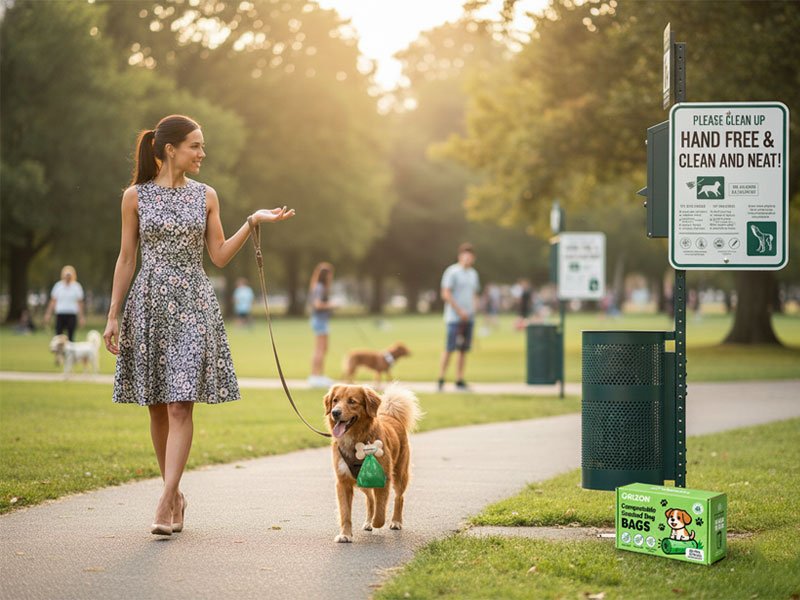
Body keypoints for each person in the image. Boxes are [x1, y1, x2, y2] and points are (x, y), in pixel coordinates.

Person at [103, 115, 295, 536]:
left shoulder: (206, 196)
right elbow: (126, 258)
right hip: (149, 304)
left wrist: (252, 222)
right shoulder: (135, 197)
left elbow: (220, 255)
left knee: (179, 404)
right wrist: (113, 314)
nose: (202, 153)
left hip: (193, 305)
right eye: (195, 145)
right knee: (157, 405)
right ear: (170, 149)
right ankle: (175, 494)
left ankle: (165, 499)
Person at [437, 243, 480, 391]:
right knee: (450, 348)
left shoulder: (473, 274)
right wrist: (459, 311)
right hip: (454, 318)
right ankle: (441, 378)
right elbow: (446, 293)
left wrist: (473, 310)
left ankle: (459, 379)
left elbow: (474, 294)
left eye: (470, 257)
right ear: (460, 256)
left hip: (469, 317)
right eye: (465, 256)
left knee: (463, 349)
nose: (467, 259)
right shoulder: (452, 272)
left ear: (473, 258)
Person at [308, 262, 335, 388]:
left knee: (324, 348)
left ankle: (320, 376)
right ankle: (314, 376)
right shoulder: (319, 287)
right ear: (326, 275)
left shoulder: (321, 287)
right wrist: (332, 304)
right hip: (319, 321)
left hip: (322, 321)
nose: (331, 277)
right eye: (330, 274)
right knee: (319, 349)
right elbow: (317, 305)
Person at [43, 265, 86, 341]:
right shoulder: (58, 286)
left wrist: (81, 317)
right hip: (60, 313)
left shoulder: (76, 287)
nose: (68, 277)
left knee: (71, 337)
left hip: (71, 314)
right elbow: (53, 301)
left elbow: (80, 303)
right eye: (66, 275)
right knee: (58, 336)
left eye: (69, 275)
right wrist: (48, 314)